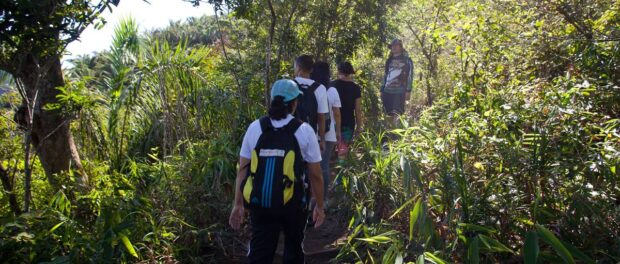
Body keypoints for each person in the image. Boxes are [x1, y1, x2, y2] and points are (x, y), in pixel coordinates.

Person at [229, 79, 325, 264]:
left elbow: (242, 170)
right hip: (294, 203)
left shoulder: (255, 127)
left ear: (272, 99)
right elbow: (315, 174)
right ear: (295, 103)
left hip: (260, 201)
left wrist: (238, 204)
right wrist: (319, 206)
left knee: (260, 252)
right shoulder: (304, 131)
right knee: (293, 249)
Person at [311, 61, 341, 205]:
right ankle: (323, 198)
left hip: (311, 133)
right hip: (329, 133)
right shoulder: (332, 90)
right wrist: (338, 131)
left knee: (309, 166)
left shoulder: (311, 88)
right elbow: (337, 113)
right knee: (324, 166)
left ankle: (311, 197)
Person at [293, 55, 329, 152]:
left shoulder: (289, 85)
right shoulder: (320, 88)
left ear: (299, 67)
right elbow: (321, 117)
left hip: (291, 135)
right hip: (311, 136)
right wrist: (322, 140)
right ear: (311, 69)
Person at [330, 61, 363, 161]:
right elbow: (358, 110)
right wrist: (359, 127)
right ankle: (340, 174)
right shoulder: (356, 88)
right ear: (351, 72)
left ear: (339, 71)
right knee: (342, 154)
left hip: (332, 123)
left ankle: (326, 174)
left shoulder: (331, 85)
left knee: (328, 153)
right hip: (348, 124)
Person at [380, 38, 414, 127]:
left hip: (400, 91)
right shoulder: (389, 60)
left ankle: (396, 136)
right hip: (387, 90)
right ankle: (389, 134)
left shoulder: (407, 60)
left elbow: (410, 76)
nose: (394, 47)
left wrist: (408, 91)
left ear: (401, 47)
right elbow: (385, 75)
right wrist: (382, 89)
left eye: (396, 45)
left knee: (397, 113)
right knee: (388, 114)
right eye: (392, 46)